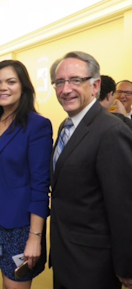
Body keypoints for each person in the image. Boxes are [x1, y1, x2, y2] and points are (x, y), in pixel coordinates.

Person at [50, 51, 132, 289]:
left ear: (95, 86)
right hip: (67, 257)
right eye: (59, 82)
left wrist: (127, 267)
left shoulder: (111, 131)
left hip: (94, 266)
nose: (66, 89)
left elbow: (124, 206)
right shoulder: (66, 126)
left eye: (76, 80)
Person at [0, 60, 52, 289]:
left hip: (20, 227)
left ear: (24, 87)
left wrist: (35, 237)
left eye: (11, 82)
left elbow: (40, 186)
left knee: (14, 285)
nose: (2, 87)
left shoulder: (37, 125)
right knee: (5, 282)